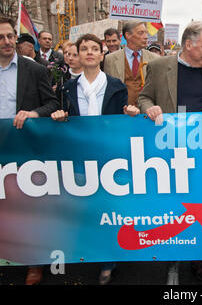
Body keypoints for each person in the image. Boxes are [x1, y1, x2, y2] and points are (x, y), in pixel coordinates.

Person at [138, 21, 202, 283]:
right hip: (168, 154)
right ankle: (173, 260)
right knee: (172, 208)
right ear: (189, 44)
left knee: (199, 206)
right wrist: (149, 109)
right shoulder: (158, 67)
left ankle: (198, 258)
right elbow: (143, 98)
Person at [51, 34, 140, 284]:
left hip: (109, 158)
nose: (89, 52)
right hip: (80, 157)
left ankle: (109, 261)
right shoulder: (68, 88)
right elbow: (65, 118)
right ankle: (92, 252)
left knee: (109, 210)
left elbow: (122, 121)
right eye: (83, 49)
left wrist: (130, 114)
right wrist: (59, 117)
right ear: (77, 55)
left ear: (102, 55)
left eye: (94, 49)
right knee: (86, 211)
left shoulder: (116, 86)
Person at [0, 14, 59, 285]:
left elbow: (52, 104)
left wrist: (34, 114)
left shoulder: (35, 70)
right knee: (1, 208)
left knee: (31, 208)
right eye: (0, 37)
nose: (8, 41)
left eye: (11, 36)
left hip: (29, 151)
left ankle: (35, 264)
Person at [104, 20, 159, 106]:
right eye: (141, 33)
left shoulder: (155, 59)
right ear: (128, 35)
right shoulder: (110, 59)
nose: (146, 37)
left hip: (146, 114)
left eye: (146, 33)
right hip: (121, 114)